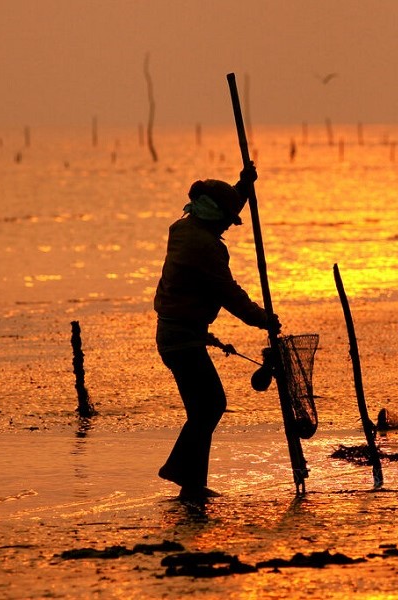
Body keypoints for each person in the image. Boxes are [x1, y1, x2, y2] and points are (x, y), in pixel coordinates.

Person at [154, 162, 279, 501]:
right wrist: (263, 318)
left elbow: (225, 203)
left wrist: (243, 185)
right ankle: (184, 476)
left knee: (204, 407)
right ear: (214, 216)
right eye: (226, 219)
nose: (229, 225)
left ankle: (190, 482)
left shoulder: (184, 229)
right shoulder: (205, 247)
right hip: (182, 338)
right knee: (210, 405)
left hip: (176, 334)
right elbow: (229, 294)